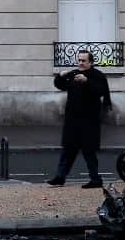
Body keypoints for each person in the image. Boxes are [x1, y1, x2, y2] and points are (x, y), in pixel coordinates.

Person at [47, 49, 112, 189]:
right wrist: (60, 76)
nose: (80, 63)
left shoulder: (98, 75)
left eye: (83, 61)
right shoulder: (74, 74)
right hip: (72, 120)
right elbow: (60, 85)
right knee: (68, 150)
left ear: (90, 62)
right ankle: (60, 177)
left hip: (89, 121)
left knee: (89, 152)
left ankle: (95, 179)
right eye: (79, 60)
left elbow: (101, 91)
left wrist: (87, 81)